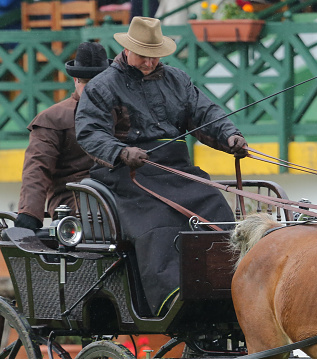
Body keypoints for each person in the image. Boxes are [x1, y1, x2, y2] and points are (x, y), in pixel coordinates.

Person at [75, 17, 248, 316]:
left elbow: (205, 113)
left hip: (175, 169)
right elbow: (89, 132)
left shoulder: (178, 80)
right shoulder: (103, 86)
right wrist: (121, 152)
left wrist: (229, 136)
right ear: (127, 50)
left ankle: (228, 285)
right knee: (158, 222)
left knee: (214, 204)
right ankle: (173, 299)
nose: (149, 62)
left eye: (154, 56)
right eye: (143, 55)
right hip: (126, 176)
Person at [15, 42, 111, 230]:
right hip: (72, 195)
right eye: (85, 82)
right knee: (100, 213)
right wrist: (29, 214)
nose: (92, 89)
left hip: (116, 190)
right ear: (75, 80)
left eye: (98, 83)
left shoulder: (122, 113)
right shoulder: (51, 119)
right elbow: (37, 169)